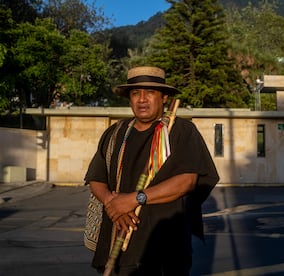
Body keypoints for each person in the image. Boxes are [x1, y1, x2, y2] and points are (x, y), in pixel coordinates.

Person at [84, 66, 219, 275]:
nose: (142, 99)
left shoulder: (180, 131)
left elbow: (187, 181)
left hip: (165, 250)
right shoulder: (115, 133)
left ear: (164, 97)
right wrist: (113, 204)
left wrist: (133, 199)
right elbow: (96, 178)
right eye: (135, 93)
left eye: (150, 93)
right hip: (115, 242)